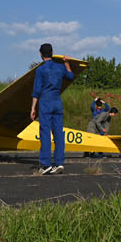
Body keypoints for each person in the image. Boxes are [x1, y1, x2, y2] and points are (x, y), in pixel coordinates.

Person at [29, 43, 74, 175]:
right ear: (53, 52)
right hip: (57, 102)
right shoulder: (60, 67)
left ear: (40, 54)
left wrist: (33, 108)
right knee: (58, 133)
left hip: (45, 102)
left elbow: (36, 91)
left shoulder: (40, 70)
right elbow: (70, 76)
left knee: (45, 133)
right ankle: (59, 162)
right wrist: (66, 63)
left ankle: (45, 164)